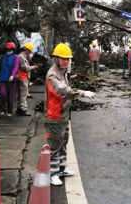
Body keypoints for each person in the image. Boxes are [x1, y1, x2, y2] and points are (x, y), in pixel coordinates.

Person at [45, 43, 95, 186]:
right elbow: (63, 91)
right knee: (54, 145)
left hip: (63, 115)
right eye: (63, 59)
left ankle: (61, 168)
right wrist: (82, 93)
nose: (67, 61)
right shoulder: (52, 75)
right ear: (56, 58)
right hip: (54, 116)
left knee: (63, 143)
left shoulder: (62, 72)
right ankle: (52, 173)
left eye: (68, 59)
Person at [16, 43, 39, 116]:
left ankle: (19, 109)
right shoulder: (21, 57)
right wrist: (33, 67)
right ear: (26, 50)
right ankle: (23, 109)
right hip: (22, 77)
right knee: (24, 94)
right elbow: (24, 68)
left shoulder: (23, 57)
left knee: (22, 94)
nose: (29, 53)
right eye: (29, 51)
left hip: (24, 77)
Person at [0, 42, 19, 117]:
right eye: (7, 49)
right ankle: (2, 109)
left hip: (11, 78)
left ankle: (10, 111)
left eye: (9, 49)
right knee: (2, 93)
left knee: (10, 95)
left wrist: (12, 75)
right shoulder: (4, 56)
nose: (8, 50)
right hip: (3, 77)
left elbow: (16, 67)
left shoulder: (16, 57)